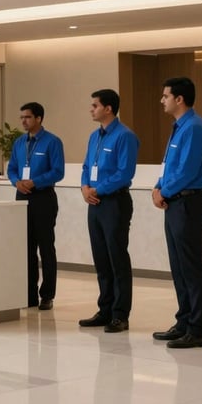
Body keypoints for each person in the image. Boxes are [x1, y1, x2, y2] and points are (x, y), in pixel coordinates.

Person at [152, 77, 202, 348]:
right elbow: (169, 167)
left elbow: (187, 171)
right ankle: (184, 321)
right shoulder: (179, 127)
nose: (162, 100)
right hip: (175, 202)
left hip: (188, 203)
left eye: (165, 96)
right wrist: (158, 187)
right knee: (178, 267)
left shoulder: (194, 129)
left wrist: (164, 191)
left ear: (179, 99)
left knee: (191, 267)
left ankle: (197, 329)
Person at [78, 89, 139, 333]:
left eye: (95, 105)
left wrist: (98, 190)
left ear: (109, 108)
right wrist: (84, 187)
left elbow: (124, 173)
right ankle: (104, 309)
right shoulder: (95, 136)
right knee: (101, 259)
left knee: (117, 258)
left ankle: (120, 314)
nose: (91, 109)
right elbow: (86, 166)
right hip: (95, 203)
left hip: (114, 202)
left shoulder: (125, 136)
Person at [7, 102, 64, 310]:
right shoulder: (19, 143)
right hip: (22, 197)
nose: (23, 121)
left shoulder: (52, 142)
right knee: (26, 248)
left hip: (43, 198)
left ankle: (47, 295)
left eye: (28, 117)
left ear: (39, 118)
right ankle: (29, 294)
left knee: (45, 247)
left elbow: (58, 172)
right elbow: (11, 168)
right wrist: (16, 181)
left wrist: (36, 182)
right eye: (21, 117)